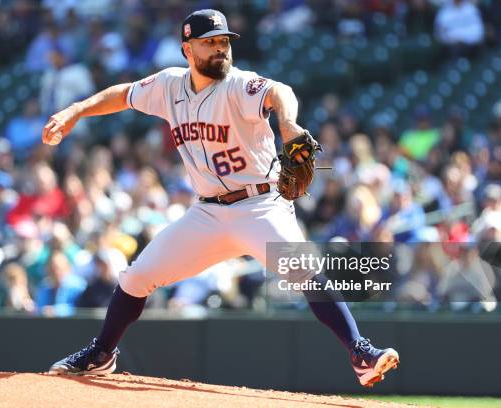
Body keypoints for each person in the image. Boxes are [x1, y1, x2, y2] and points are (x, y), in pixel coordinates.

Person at [42, 9, 399, 387]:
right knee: (136, 277)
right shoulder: (168, 86)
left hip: (259, 205)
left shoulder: (238, 85)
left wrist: (288, 124)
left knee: (305, 269)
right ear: (187, 49)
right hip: (207, 213)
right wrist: (76, 110)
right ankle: (102, 354)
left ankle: (360, 352)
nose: (220, 49)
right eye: (210, 42)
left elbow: (281, 92)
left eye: (224, 41)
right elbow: (124, 95)